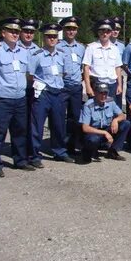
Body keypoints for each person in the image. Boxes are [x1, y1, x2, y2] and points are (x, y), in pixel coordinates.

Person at [0, 18, 33, 176]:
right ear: (3, 33)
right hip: (2, 98)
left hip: (20, 98)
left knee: (20, 131)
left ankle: (20, 160)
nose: (15, 34)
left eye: (17, 32)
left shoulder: (23, 52)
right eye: (11, 31)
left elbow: (27, 73)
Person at [28, 23, 73, 166]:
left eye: (54, 36)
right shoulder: (37, 55)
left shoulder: (62, 55)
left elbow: (65, 73)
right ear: (44, 37)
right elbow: (30, 76)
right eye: (49, 36)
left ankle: (59, 152)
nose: (52, 39)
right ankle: (34, 155)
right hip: (43, 93)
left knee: (59, 125)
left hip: (58, 93)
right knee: (37, 126)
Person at [79, 81, 130, 163]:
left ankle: (112, 151)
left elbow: (122, 115)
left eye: (105, 93)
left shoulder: (110, 101)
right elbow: (85, 128)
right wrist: (104, 133)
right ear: (95, 93)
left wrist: (115, 120)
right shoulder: (88, 105)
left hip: (106, 129)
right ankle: (87, 153)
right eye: (101, 93)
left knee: (125, 124)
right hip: (94, 132)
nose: (104, 96)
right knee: (93, 139)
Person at [58, 16, 85, 156]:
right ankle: (59, 145)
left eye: (73, 29)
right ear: (63, 30)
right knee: (60, 117)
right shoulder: (57, 46)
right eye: (68, 28)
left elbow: (84, 67)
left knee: (75, 117)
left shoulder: (81, 48)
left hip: (76, 87)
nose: (71, 31)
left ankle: (72, 145)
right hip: (61, 87)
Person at [82, 18, 123, 106]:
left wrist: (119, 85)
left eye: (108, 31)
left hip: (112, 84)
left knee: (110, 110)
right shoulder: (91, 48)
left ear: (111, 33)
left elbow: (118, 68)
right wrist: (88, 87)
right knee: (95, 109)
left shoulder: (115, 49)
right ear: (98, 32)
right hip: (97, 84)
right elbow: (86, 68)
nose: (105, 34)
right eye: (102, 31)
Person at [16, 18, 40, 156]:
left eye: (31, 32)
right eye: (26, 31)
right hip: (18, 90)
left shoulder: (37, 50)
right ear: (21, 32)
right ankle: (20, 151)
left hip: (33, 89)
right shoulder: (15, 47)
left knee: (32, 121)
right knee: (19, 122)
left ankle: (31, 151)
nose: (29, 34)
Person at [110, 16, 126, 108]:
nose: (116, 31)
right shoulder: (100, 44)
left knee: (118, 104)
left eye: (118, 29)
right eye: (113, 29)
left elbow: (123, 64)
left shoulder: (121, 46)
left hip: (118, 78)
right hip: (105, 78)